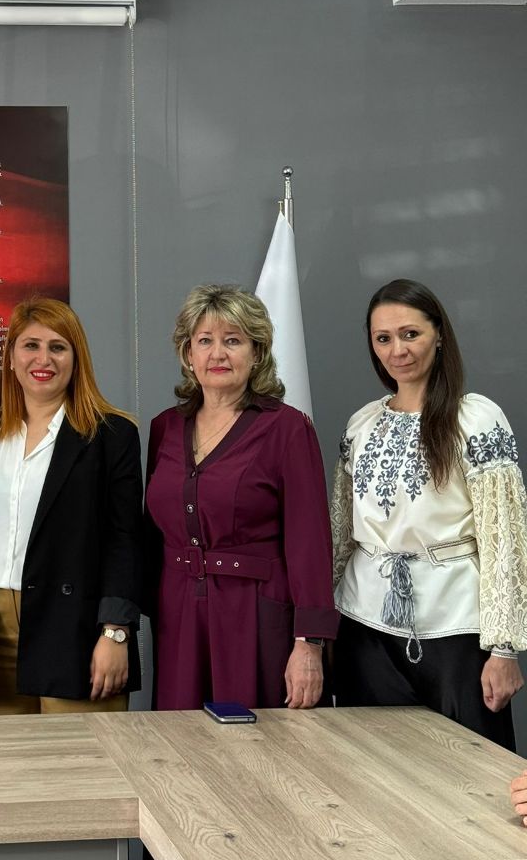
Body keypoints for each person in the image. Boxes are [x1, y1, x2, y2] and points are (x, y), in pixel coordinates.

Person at [331, 278, 526, 748]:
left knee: (469, 765)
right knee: (372, 764)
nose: (397, 350)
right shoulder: (362, 424)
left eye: (410, 334)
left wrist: (504, 648)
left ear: (438, 335)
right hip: (363, 623)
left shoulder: (475, 419)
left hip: (454, 623)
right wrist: (320, 628)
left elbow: (505, 536)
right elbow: (340, 533)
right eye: (383, 338)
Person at [0, 297, 143, 714]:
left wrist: (116, 630)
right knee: (4, 755)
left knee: (78, 755)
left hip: (75, 628)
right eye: (31, 345)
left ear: (76, 359)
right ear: (11, 358)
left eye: (58, 347)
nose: (43, 359)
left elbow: (125, 540)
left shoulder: (111, 435)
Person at [145, 285, 337, 714]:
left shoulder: (287, 428)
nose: (218, 354)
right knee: (180, 740)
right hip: (178, 615)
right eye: (205, 341)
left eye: (232, 340)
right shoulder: (164, 428)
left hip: (256, 615)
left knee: (258, 741)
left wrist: (309, 642)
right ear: (188, 354)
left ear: (257, 352)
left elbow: (309, 542)